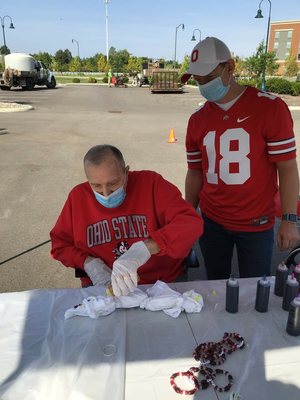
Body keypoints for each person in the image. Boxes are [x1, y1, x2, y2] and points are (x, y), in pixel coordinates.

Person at [181, 36, 300, 280]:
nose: (203, 85)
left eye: (208, 78)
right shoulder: (197, 120)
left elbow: (287, 168)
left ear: (230, 67)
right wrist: (188, 213)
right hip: (212, 221)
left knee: (254, 287)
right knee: (215, 285)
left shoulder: (270, 108)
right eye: (198, 80)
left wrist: (289, 219)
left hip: (256, 223)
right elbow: (194, 172)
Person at [50, 144, 203, 296]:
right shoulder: (78, 197)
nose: (105, 193)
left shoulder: (151, 184)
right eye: (96, 185)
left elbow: (191, 222)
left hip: (160, 283)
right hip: (105, 286)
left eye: (113, 183)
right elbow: (60, 245)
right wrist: (89, 263)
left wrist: (147, 248)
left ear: (126, 172)